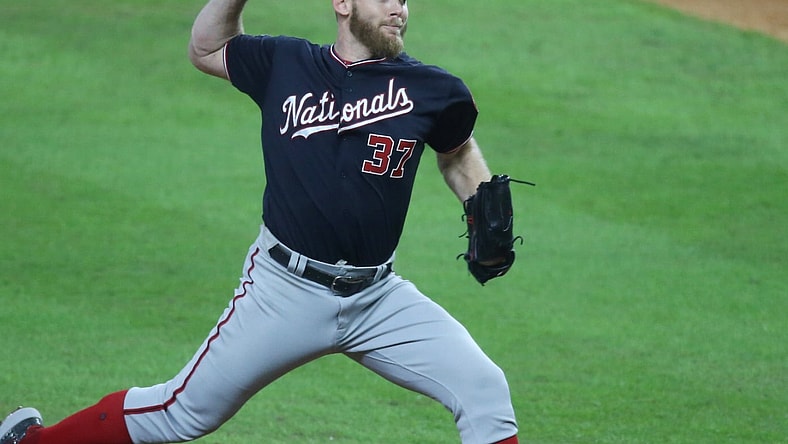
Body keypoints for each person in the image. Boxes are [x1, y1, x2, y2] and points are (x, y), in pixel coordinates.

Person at [0, 0, 520, 443]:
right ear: (342, 2)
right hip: (283, 292)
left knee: (484, 389)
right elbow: (205, 48)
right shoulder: (284, 62)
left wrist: (481, 203)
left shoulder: (431, 88)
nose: (399, 9)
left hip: (377, 298)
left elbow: (456, 152)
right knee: (180, 411)